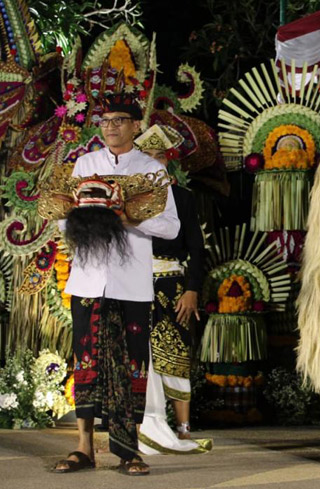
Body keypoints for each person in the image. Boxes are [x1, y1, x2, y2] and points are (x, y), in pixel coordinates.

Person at [52, 94, 180, 475]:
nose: (110, 126)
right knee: (86, 361)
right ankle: (83, 449)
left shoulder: (151, 170)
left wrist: (128, 220)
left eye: (119, 120)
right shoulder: (84, 164)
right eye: (105, 120)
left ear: (136, 125)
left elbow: (171, 227)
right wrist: (87, 218)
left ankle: (129, 451)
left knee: (132, 363)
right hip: (88, 279)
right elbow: (63, 220)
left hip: (132, 283)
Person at [134, 124, 211, 455]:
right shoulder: (130, 200)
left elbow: (197, 247)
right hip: (134, 285)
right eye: (146, 156)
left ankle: (182, 430)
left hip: (173, 285)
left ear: (167, 161)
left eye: (158, 156)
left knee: (177, 355)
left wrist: (192, 289)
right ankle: (139, 426)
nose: (153, 162)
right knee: (138, 356)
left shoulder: (183, 198)